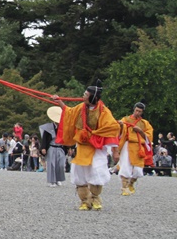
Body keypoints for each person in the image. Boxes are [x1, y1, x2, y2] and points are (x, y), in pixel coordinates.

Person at [53, 80, 120, 211]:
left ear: (92, 97)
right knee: (79, 174)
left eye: (85, 94)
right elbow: (69, 113)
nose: (83, 96)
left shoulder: (104, 111)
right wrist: (59, 102)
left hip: (96, 146)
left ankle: (95, 198)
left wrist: (115, 150)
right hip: (82, 146)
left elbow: (112, 128)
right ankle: (84, 200)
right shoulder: (81, 107)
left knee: (97, 171)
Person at [114, 102, 154, 196]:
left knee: (138, 170)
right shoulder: (126, 119)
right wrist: (121, 125)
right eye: (136, 110)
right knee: (125, 166)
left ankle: (131, 183)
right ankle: (124, 187)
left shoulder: (144, 123)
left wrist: (140, 131)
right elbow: (120, 131)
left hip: (139, 147)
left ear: (142, 112)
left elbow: (149, 136)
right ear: (134, 109)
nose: (137, 113)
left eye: (140, 111)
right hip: (127, 145)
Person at [40, 106, 66, 186]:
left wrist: (69, 148)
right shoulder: (48, 127)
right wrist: (43, 147)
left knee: (61, 164)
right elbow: (44, 138)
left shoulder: (63, 127)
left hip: (60, 148)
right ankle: (52, 181)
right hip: (51, 147)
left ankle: (58, 179)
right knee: (51, 164)